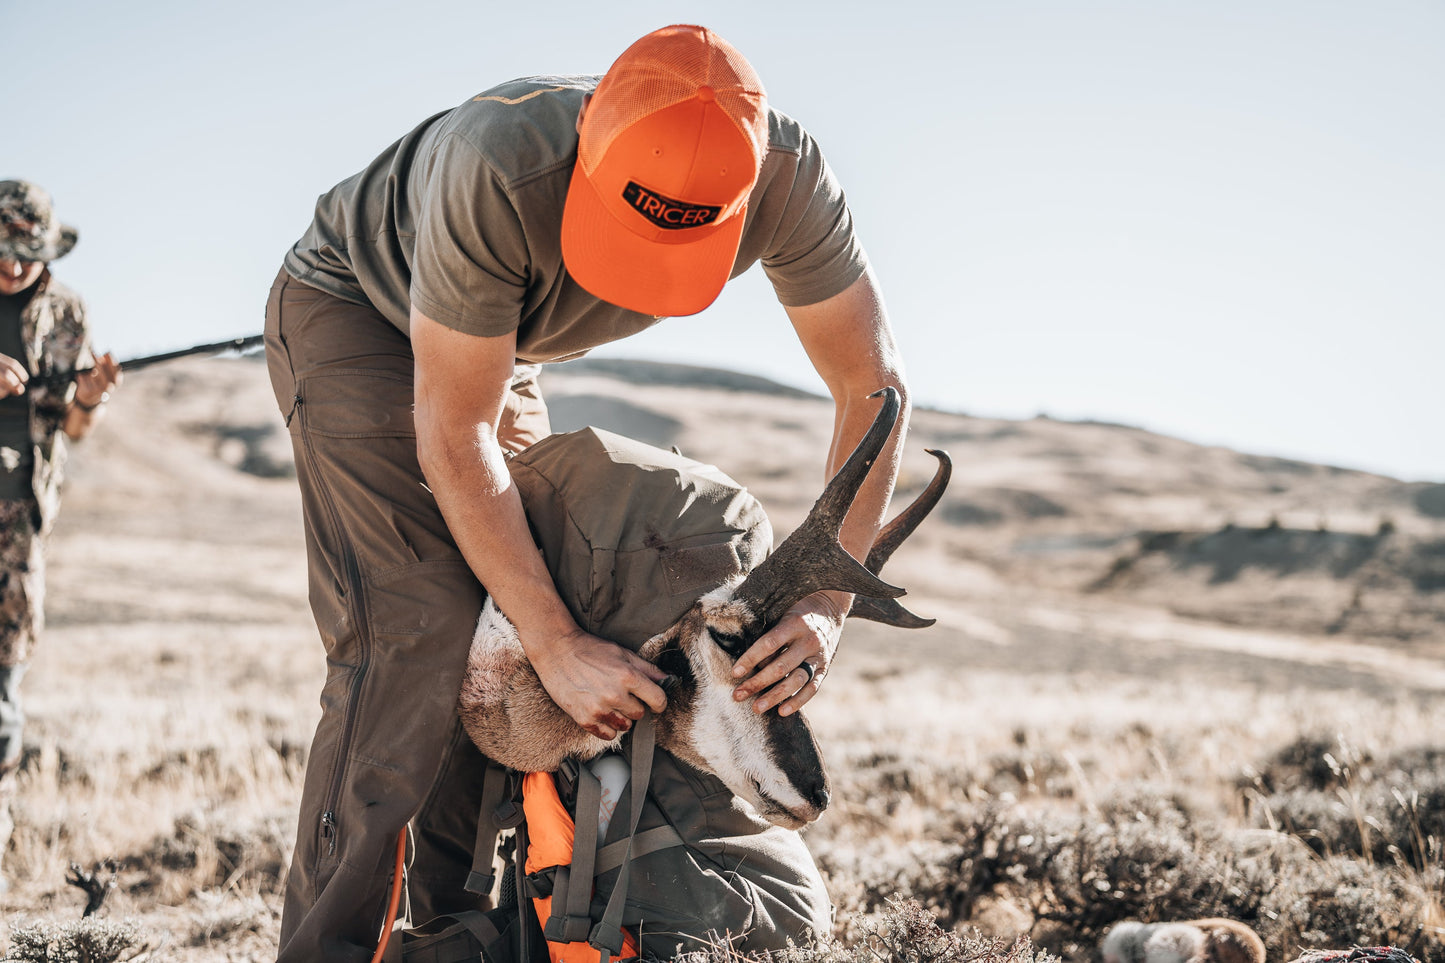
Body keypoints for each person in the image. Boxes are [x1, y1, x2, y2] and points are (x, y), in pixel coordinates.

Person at [265, 24, 909, 961]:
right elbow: (455, 435)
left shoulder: (788, 176)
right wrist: (554, 641)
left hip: (497, 345)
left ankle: (480, 934)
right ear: (587, 158)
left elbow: (873, 390)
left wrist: (823, 606)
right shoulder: (498, 162)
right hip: (358, 313)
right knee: (416, 638)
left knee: (549, 596)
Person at [0, 179, 122, 884]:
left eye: (27, 252)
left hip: (20, 533)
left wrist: (90, 400)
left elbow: (73, 427)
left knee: (5, 691)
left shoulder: (68, 310)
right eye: (3, 250)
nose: (14, 265)